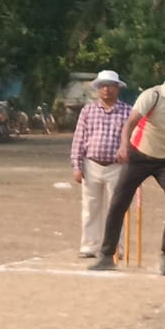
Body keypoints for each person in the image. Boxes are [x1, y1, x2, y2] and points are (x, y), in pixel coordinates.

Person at [92, 58, 165, 276]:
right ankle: (106, 256)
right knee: (118, 202)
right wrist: (123, 147)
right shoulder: (153, 95)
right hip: (138, 155)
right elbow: (129, 123)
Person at [70, 70, 134, 258]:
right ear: (98, 88)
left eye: (111, 86)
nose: (107, 90)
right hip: (92, 165)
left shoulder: (128, 112)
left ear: (118, 88)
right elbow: (79, 139)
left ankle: (116, 248)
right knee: (90, 208)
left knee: (117, 208)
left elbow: (134, 138)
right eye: (103, 86)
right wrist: (76, 166)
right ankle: (89, 246)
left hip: (117, 166)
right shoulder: (88, 111)